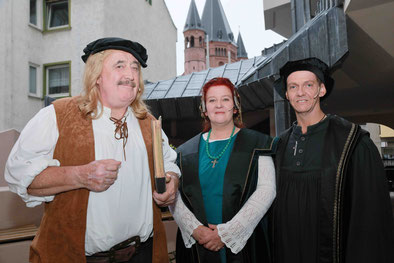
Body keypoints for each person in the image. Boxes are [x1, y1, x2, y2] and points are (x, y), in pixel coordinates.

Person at [4, 37, 180, 263]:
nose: (130, 74)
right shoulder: (57, 115)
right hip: (79, 258)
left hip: (143, 255)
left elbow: (169, 163)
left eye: (135, 68)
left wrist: (171, 181)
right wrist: (80, 175)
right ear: (97, 76)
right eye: (120, 66)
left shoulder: (149, 123)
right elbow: (19, 175)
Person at [272, 57, 394, 263]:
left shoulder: (353, 142)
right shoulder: (279, 145)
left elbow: (371, 216)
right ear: (286, 94)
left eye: (308, 85)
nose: (300, 92)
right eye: (293, 86)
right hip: (287, 251)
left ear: (321, 90)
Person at [170, 77, 277, 263]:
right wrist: (196, 230)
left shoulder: (260, 144)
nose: (219, 104)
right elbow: (175, 197)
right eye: (212, 100)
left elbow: (267, 190)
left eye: (226, 99)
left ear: (235, 107)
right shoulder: (183, 152)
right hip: (198, 243)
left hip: (245, 241)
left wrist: (228, 233)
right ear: (204, 109)